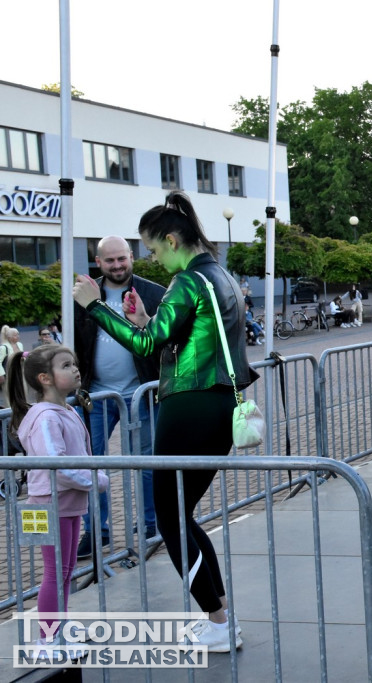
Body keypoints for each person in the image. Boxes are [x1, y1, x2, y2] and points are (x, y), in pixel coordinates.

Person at [72, 191, 254, 651]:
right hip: (214, 406)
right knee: (180, 514)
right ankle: (220, 615)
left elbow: (148, 345)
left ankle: (215, 619)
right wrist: (149, 317)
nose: (153, 259)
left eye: (153, 249)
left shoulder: (188, 282)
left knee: (171, 519)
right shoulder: (219, 275)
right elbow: (187, 336)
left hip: (190, 406)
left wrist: (96, 306)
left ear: (172, 240)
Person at [6, 344, 109, 645]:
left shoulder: (65, 410)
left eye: (74, 363)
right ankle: (47, 640)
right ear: (44, 378)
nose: (75, 369)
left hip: (66, 504)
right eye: (66, 365)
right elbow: (59, 464)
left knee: (65, 571)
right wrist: (96, 481)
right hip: (48, 504)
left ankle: (57, 630)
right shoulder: (45, 417)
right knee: (55, 573)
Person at [73, 235, 165, 555]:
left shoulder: (153, 293)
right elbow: (74, 343)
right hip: (94, 396)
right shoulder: (83, 296)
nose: (117, 265)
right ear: (98, 262)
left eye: (121, 258)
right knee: (89, 463)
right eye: (109, 260)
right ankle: (96, 530)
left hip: (140, 392)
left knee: (147, 463)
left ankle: (151, 524)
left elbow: (165, 340)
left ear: (131, 257)